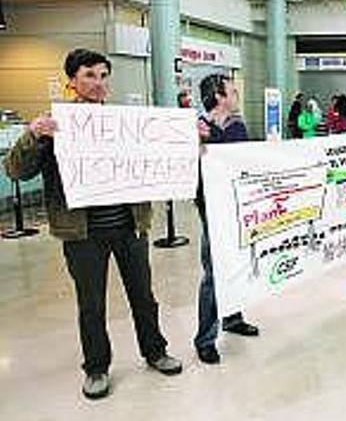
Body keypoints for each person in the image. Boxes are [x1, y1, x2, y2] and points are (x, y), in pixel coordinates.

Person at [4, 49, 182, 400]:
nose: (98, 83)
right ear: (71, 80)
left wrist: (183, 137)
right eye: (89, 75)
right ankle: (96, 367)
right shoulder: (55, 125)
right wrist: (33, 135)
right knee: (91, 304)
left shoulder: (124, 123)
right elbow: (15, 170)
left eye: (103, 76)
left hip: (130, 227)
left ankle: (155, 351)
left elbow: (158, 156)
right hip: (83, 234)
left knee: (143, 297)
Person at [194, 74, 260, 365]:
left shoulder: (237, 126)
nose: (236, 96)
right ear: (219, 96)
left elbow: (236, 158)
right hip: (211, 209)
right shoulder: (195, 129)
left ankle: (233, 317)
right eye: (232, 91)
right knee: (213, 273)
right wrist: (196, 140)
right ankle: (205, 338)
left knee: (236, 265)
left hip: (238, 207)